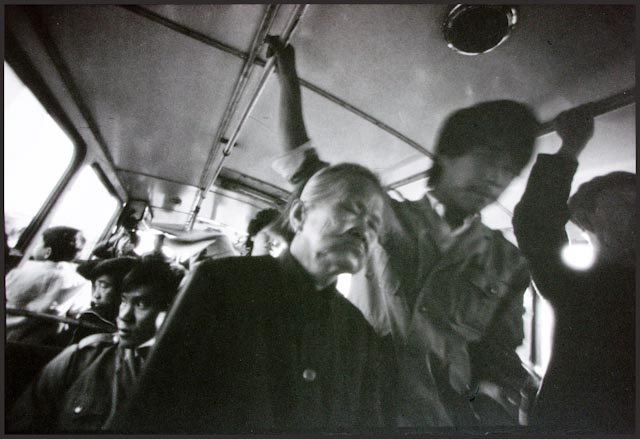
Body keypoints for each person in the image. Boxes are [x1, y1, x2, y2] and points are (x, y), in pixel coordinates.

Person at [266, 37, 540, 428]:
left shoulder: (508, 262)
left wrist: (497, 388)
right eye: (487, 158)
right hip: (354, 406)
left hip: (438, 419)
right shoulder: (380, 215)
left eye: (509, 170)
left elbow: (495, 356)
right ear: (447, 154)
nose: (496, 177)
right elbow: (302, 165)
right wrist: (288, 80)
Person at [109, 163, 388, 433]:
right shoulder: (219, 284)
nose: (365, 230)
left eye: (375, 225)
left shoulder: (360, 335)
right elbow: (151, 412)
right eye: (351, 210)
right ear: (300, 216)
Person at [512, 108, 635, 433]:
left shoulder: (576, 290)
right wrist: (571, 149)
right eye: (622, 209)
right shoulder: (581, 291)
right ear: (589, 225)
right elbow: (535, 224)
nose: (631, 219)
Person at [7, 258, 182, 433]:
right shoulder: (85, 356)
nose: (124, 316)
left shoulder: (180, 381)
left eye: (141, 304)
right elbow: (23, 422)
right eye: (124, 301)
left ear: (171, 312)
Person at [6, 226, 88, 344]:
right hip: (40, 339)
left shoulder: (21, 271)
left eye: (39, 243)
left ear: (47, 252)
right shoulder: (81, 283)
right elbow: (76, 313)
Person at [64, 257, 140, 344]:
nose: (96, 295)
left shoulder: (93, 317)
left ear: (123, 288)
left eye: (103, 286)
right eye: (95, 286)